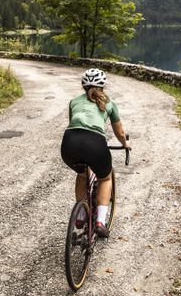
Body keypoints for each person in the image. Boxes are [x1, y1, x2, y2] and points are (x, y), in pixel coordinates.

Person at [60, 68, 130, 238]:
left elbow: (75, 124)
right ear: (103, 86)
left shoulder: (74, 101)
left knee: (82, 175)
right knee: (105, 178)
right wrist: (125, 144)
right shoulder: (109, 103)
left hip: (69, 143)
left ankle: (81, 215)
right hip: (95, 144)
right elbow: (120, 133)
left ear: (83, 85)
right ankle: (100, 222)